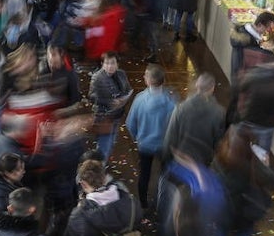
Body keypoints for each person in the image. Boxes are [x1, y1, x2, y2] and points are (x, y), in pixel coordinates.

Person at [125, 63, 176, 209]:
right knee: (165, 175)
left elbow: (130, 123)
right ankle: (163, 202)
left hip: (145, 145)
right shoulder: (170, 101)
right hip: (164, 145)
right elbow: (175, 124)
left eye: (145, 75)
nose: (143, 76)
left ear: (149, 81)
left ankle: (143, 203)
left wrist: (137, 137)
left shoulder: (140, 99)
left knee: (144, 174)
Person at [164, 73, 225, 168]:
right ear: (212, 88)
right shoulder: (219, 112)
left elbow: (171, 137)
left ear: (197, 85)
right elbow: (219, 142)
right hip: (203, 163)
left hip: (182, 160)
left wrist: (166, 160)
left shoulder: (181, 108)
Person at [89, 51, 131, 162]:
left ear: (117, 64)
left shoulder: (121, 74)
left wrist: (123, 99)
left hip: (117, 115)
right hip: (104, 118)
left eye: (112, 63)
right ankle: (98, 172)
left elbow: (127, 89)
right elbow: (92, 96)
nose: (109, 66)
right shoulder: (97, 77)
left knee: (111, 143)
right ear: (102, 64)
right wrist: (110, 102)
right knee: (103, 148)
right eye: (107, 63)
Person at [229, 10, 274, 80]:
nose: (268, 31)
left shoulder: (244, 32)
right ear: (259, 25)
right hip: (242, 80)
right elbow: (257, 54)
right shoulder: (247, 42)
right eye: (268, 27)